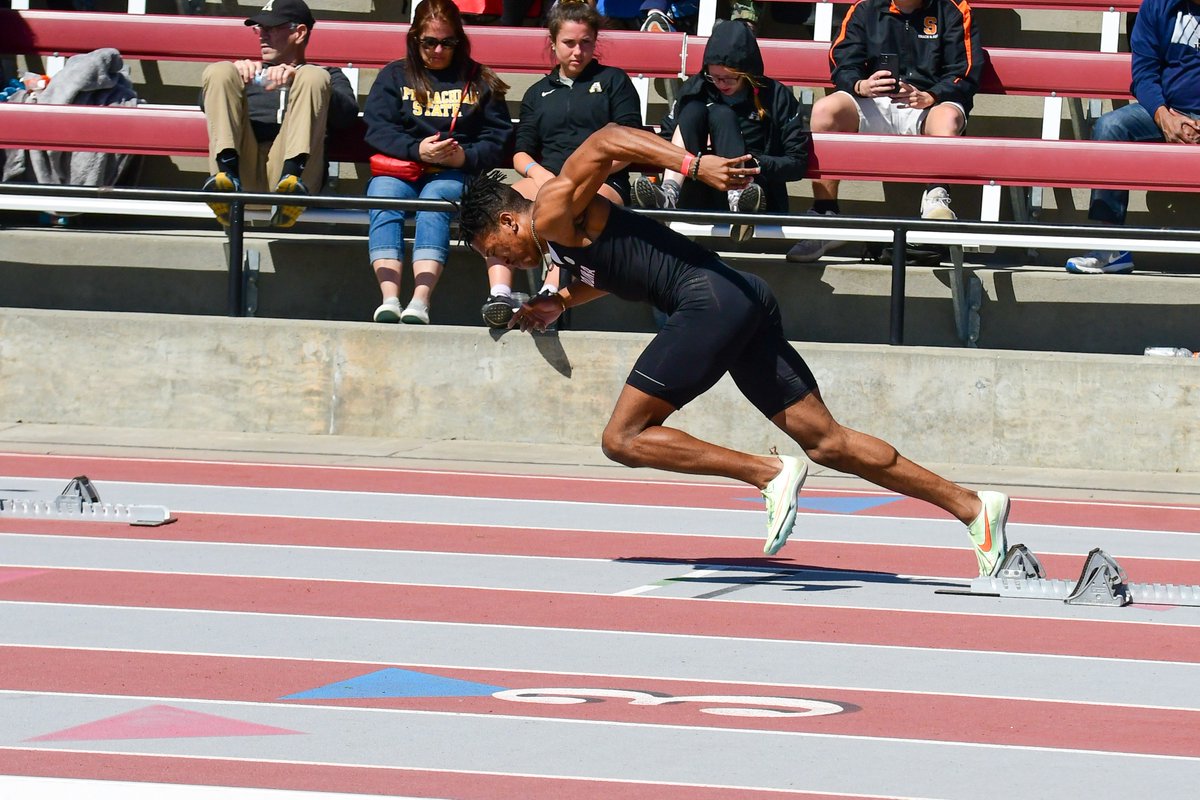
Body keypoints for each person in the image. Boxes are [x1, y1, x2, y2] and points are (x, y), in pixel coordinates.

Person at [458, 123, 1010, 576]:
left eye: (493, 249)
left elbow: (604, 140)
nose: (502, 261)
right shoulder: (560, 242)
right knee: (827, 441)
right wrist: (561, 302)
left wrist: (693, 166)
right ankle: (973, 507)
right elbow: (619, 269)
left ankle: (765, 474)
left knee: (622, 438)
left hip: (709, 301)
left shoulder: (552, 210)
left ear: (509, 219)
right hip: (738, 295)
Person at [481, 0, 643, 328]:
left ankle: (550, 292)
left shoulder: (614, 81)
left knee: (567, 205)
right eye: (569, 43)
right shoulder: (538, 93)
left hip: (603, 180)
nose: (577, 52)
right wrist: (541, 175)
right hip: (548, 177)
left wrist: (579, 178)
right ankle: (499, 295)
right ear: (553, 43)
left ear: (595, 42)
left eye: (586, 43)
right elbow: (521, 152)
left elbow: (630, 144)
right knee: (497, 208)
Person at [786, 0, 982, 262]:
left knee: (947, 117)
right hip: (873, 102)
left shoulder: (953, 9)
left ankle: (936, 200)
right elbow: (843, 59)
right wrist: (859, 85)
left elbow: (965, 68)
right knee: (824, 111)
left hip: (927, 104)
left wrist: (932, 94)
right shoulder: (865, 7)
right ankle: (825, 214)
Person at [364, 0, 514, 324]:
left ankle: (420, 301)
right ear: (415, 38)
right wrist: (416, 149)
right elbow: (378, 129)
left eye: (447, 42)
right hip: (404, 168)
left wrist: (466, 157)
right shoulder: (394, 75)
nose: (438, 50)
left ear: (459, 41)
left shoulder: (479, 79)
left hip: (454, 172)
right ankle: (389, 298)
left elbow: (498, 138)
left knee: (436, 202)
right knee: (382, 195)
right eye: (429, 42)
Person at [633, 20, 809, 243]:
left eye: (728, 78)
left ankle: (739, 202)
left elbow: (797, 162)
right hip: (697, 184)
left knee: (721, 114)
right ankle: (669, 195)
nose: (720, 84)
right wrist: (701, 153)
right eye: (713, 77)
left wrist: (756, 164)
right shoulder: (695, 89)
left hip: (753, 188)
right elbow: (667, 138)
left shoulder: (776, 96)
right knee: (695, 110)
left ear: (746, 71)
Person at [1064, 0, 1200, 275]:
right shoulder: (1158, 5)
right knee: (1111, 126)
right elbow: (1144, 74)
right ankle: (1109, 248)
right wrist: (1165, 118)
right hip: (1169, 110)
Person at [200, 0, 359, 229]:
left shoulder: (326, 75)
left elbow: (346, 118)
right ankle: (226, 184)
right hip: (242, 169)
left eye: (271, 28)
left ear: (299, 32)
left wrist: (298, 78)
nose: (262, 35)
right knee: (220, 70)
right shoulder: (247, 73)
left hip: (300, 180)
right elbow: (206, 106)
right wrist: (234, 76)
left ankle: (290, 184)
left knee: (313, 76)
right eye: (259, 29)